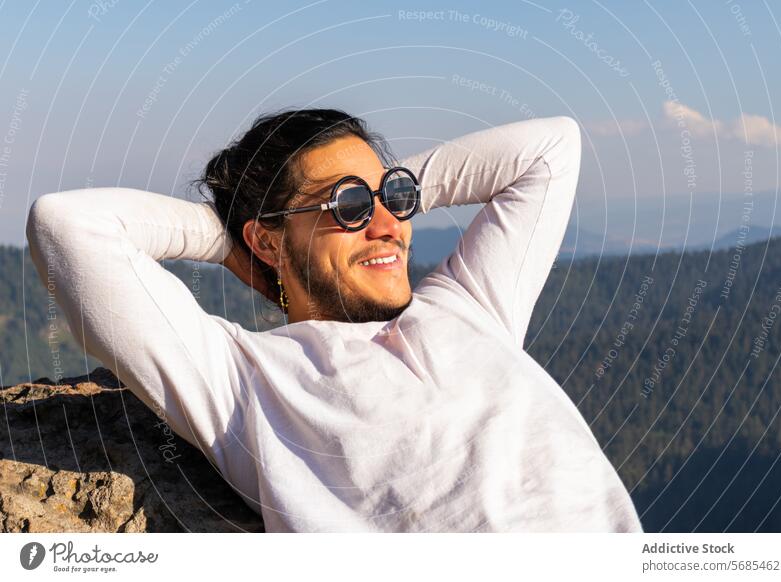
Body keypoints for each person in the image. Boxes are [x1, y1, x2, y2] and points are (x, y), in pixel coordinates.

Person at [26, 108, 642, 532]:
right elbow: (67, 226)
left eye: (396, 199)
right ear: (268, 243)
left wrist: (373, 196)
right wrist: (242, 244)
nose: (389, 227)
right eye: (347, 205)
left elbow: (551, 147)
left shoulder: (470, 305)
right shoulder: (244, 383)